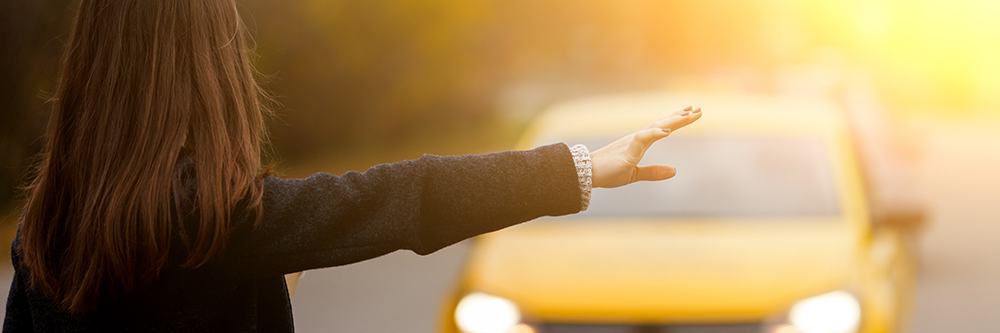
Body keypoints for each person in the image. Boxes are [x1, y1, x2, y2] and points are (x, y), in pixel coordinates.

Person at [3, 0, 702, 332]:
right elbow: (406, 196)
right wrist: (581, 167)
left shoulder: (43, 230)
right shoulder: (211, 219)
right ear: (205, 72)